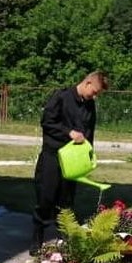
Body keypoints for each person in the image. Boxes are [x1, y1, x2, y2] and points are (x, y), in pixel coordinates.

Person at [31, 70, 109, 252]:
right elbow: (47, 122)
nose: (95, 97)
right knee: (46, 197)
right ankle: (37, 238)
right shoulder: (61, 97)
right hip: (53, 156)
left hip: (73, 161)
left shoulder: (89, 106)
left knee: (66, 200)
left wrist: (88, 155)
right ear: (88, 83)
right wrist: (69, 133)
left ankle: (63, 240)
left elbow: (90, 132)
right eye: (95, 92)